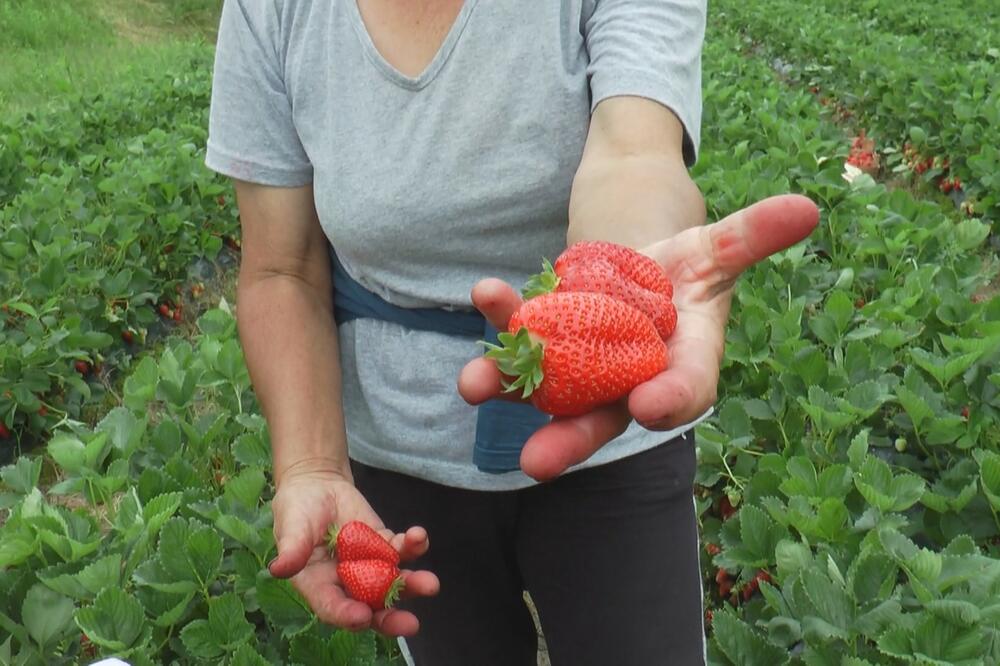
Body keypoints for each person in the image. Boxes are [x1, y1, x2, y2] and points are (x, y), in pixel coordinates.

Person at [205, 1, 819, 664]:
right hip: (401, 453)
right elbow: (280, 268)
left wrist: (620, 278)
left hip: (609, 436)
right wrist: (310, 464)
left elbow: (633, 151)